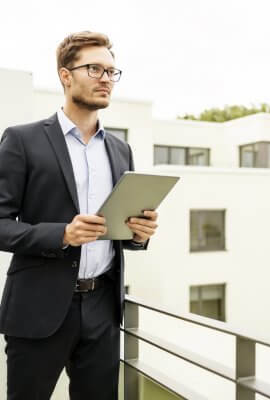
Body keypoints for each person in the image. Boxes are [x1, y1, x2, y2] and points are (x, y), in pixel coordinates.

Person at [0, 31, 158, 399]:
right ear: (65, 75)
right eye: (94, 68)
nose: (105, 78)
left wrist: (140, 233)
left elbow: (121, 230)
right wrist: (62, 235)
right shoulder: (22, 141)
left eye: (112, 72)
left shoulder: (121, 150)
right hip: (38, 309)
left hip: (103, 308)